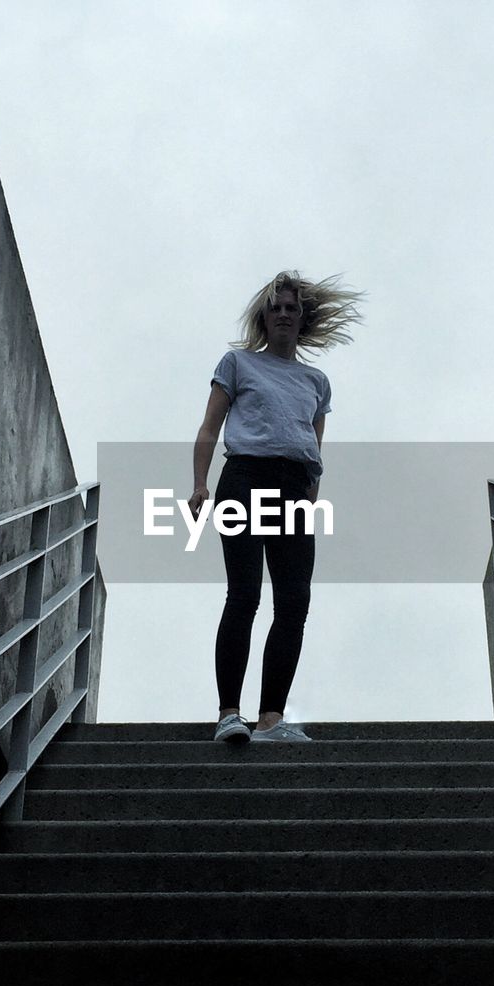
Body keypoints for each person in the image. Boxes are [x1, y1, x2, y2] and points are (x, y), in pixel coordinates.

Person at [189, 269, 364, 743]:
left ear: (302, 318)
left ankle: (270, 719)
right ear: (264, 318)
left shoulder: (315, 381)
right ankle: (230, 713)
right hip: (245, 478)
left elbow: (315, 448)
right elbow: (209, 427)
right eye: (276, 308)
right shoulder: (238, 364)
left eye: (292, 308)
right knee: (244, 595)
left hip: (294, 488)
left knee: (294, 603)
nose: (284, 314)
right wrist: (200, 484)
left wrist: (309, 498)